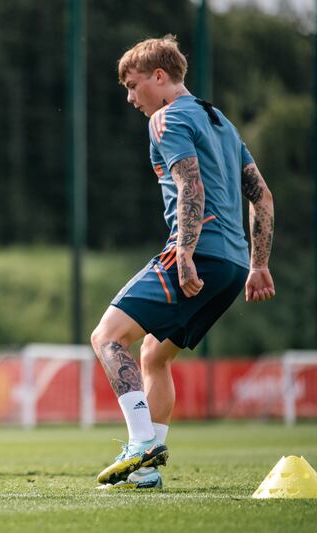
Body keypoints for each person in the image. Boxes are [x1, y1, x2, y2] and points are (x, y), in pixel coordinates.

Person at [90, 35, 275, 489]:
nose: (132, 98)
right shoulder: (222, 123)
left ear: (160, 76)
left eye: (134, 86)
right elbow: (262, 196)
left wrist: (186, 254)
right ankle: (147, 469)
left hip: (198, 252)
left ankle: (140, 443)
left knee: (108, 337)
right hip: (232, 266)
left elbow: (191, 187)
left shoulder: (166, 118)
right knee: (154, 355)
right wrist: (259, 264)